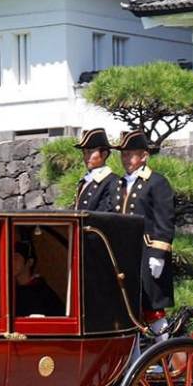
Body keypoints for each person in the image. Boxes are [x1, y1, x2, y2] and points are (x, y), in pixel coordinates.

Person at [113, 129, 175, 328]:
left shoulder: (156, 182)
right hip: (123, 255)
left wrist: (158, 254)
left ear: (144, 156)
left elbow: (164, 220)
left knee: (153, 308)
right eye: (123, 154)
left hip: (146, 253)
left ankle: (168, 355)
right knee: (129, 308)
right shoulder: (120, 184)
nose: (126, 159)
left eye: (131, 154)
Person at [12, 238, 64, 317]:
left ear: (29, 262)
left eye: (16, 258)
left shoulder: (42, 293)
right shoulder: (11, 290)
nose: (11, 262)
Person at [73, 128, 119, 211]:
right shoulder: (85, 180)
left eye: (90, 152)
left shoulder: (112, 181)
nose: (86, 157)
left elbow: (105, 213)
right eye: (84, 153)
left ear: (104, 154)